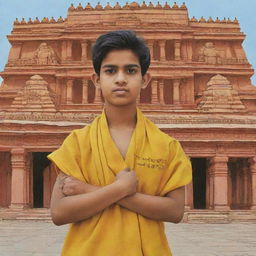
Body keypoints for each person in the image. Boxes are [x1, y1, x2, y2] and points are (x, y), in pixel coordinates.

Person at [47, 30, 192, 256]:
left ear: (145, 79)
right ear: (97, 79)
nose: (121, 78)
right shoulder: (77, 142)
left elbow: (174, 211)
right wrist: (120, 188)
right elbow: (59, 213)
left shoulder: (166, 145)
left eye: (131, 70)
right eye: (111, 70)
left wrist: (90, 191)